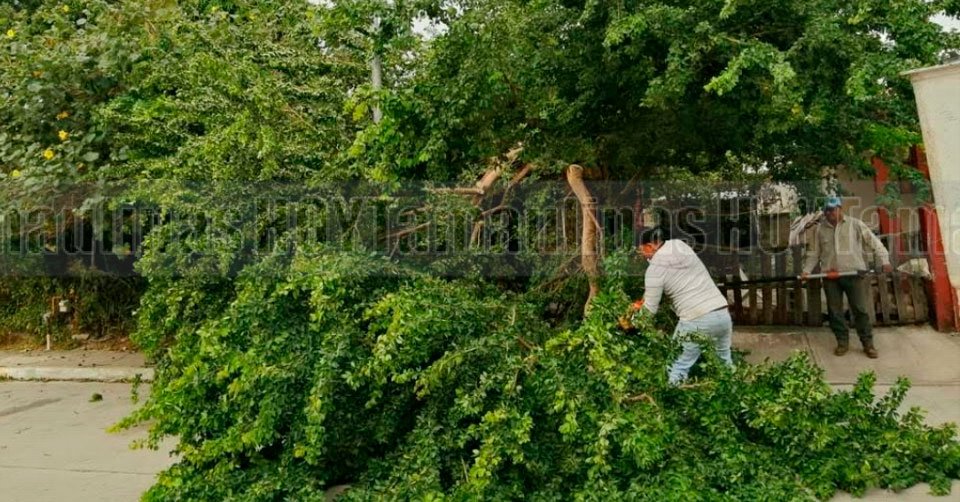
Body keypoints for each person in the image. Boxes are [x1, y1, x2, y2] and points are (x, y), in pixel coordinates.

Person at [632, 229, 734, 385]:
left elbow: (650, 310)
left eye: (642, 251)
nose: (642, 255)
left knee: (676, 366)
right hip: (721, 314)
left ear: (650, 246)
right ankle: (734, 392)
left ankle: (673, 397)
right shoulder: (679, 245)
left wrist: (631, 323)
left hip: (696, 320)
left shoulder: (654, 271)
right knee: (724, 365)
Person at [801, 197, 892, 358]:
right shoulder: (819, 230)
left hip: (853, 275)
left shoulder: (855, 224)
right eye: (827, 210)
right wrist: (806, 271)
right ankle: (842, 342)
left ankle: (868, 344)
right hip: (830, 276)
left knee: (860, 310)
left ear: (840, 209)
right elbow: (814, 254)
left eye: (833, 209)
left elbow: (874, 242)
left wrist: (885, 260)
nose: (830, 213)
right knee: (835, 312)